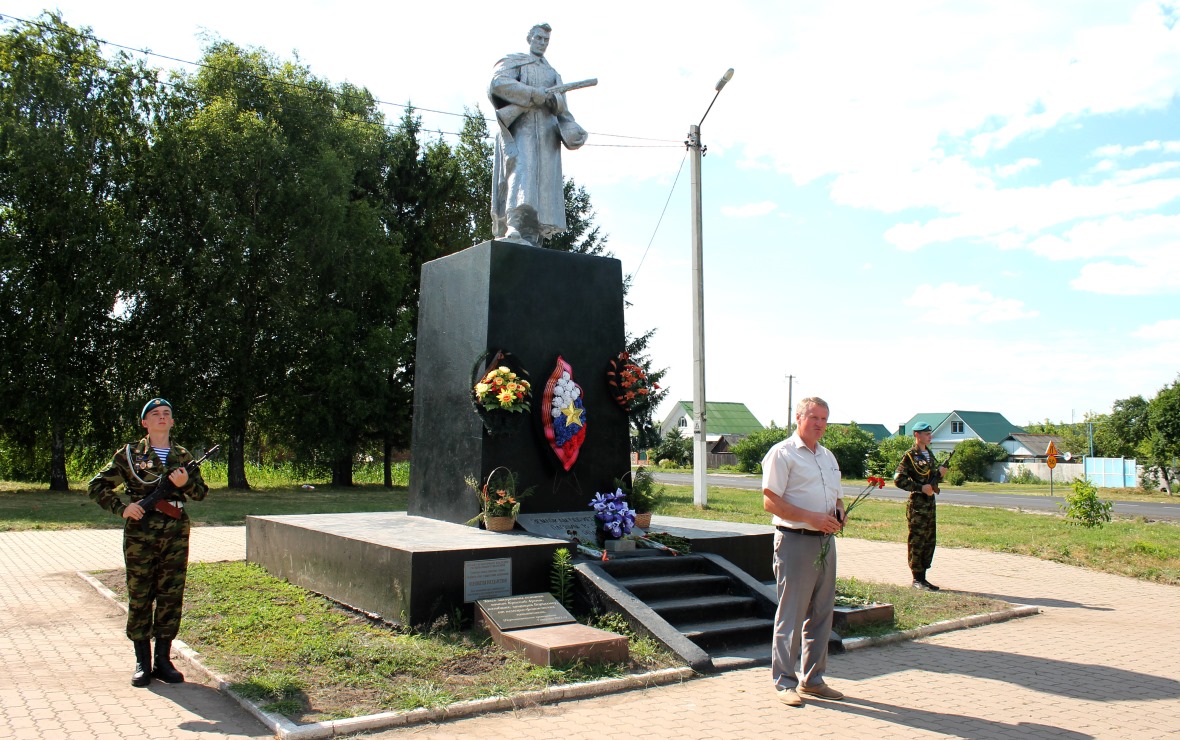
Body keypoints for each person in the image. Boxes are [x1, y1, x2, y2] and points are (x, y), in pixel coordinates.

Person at [87, 398, 209, 687]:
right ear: (144, 422)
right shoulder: (129, 454)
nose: (162, 417)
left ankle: (163, 661)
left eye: (167, 413)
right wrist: (122, 509)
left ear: (173, 421)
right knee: (141, 595)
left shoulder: (182, 455)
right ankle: (142, 661)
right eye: (155, 414)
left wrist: (184, 485)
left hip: (175, 535)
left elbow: (201, 492)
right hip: (140, 535)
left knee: (170, 595)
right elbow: (97, 485)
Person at [761, 397, 846, 707]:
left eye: (824, 418)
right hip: (795, 540)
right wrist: (811, 518)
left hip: (825, 541)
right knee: (792, 613)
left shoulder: (828, 457)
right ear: (799, 417)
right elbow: (770, 501)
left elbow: (837, 497)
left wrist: (839, 512)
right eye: (814, 417)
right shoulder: (782, 454)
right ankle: (784, 681)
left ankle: (814, 679)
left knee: (823, 612)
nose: (820, 423)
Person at [488, 23, 588, 246]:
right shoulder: (515, 61)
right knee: (522, 173)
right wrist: (533, 94)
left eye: (546, 40)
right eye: (539, 38)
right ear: (529, 38)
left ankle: (533, 235)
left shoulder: (553, 73)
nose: (542, 43)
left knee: (543, 185)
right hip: (522, 130)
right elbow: (497, 83)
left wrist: (558, 107)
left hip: (547, 136)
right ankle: (514, 224)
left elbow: (564, 112)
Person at [894, 421, 949, 591]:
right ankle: (916, 578)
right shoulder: (910, 455)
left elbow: (930, 478)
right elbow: (898, 479)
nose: (929, 436)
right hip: (918, 505)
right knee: (917, 540)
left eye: (930, 433)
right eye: (926, 433)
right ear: (917, 435)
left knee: (929, 540)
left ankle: (924, 577)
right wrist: (919, 488)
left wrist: (939, 474)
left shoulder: (929, 455)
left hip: (929, 504)